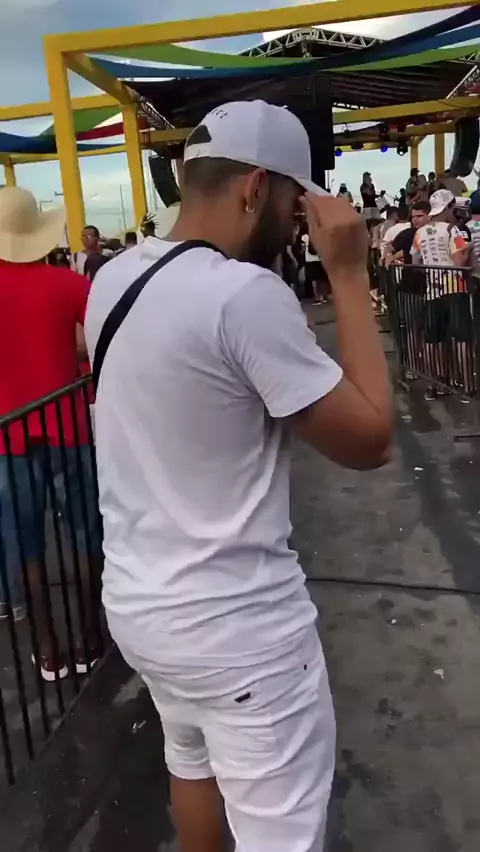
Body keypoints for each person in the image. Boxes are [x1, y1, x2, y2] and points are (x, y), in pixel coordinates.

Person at [85, 99, 392, 852]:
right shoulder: (243, 295)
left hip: (143, 608)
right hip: (239, 629)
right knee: (280, 830)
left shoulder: (113, 277)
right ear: (256, 188)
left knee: (192, 765)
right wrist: (349, 275)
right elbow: (371, 440)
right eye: (295, 205)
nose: (298, 226)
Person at [0, 187, 101, 679]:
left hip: (8, 437)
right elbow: (104, 337)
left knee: (28, 540)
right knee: (84, 532)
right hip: (68, 426)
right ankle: (89, 637)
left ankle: (45, 646)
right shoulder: (68, 284)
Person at [412, 189, 471, 399]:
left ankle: (435, 384)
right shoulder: (452, 230)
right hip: (455, 288)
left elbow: (415, 261)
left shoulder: (419, 233)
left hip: (432, 290)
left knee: (433, 340)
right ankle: (467, 385)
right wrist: (467, 249)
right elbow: (458, 261)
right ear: (448, 208)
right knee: (461, 337)